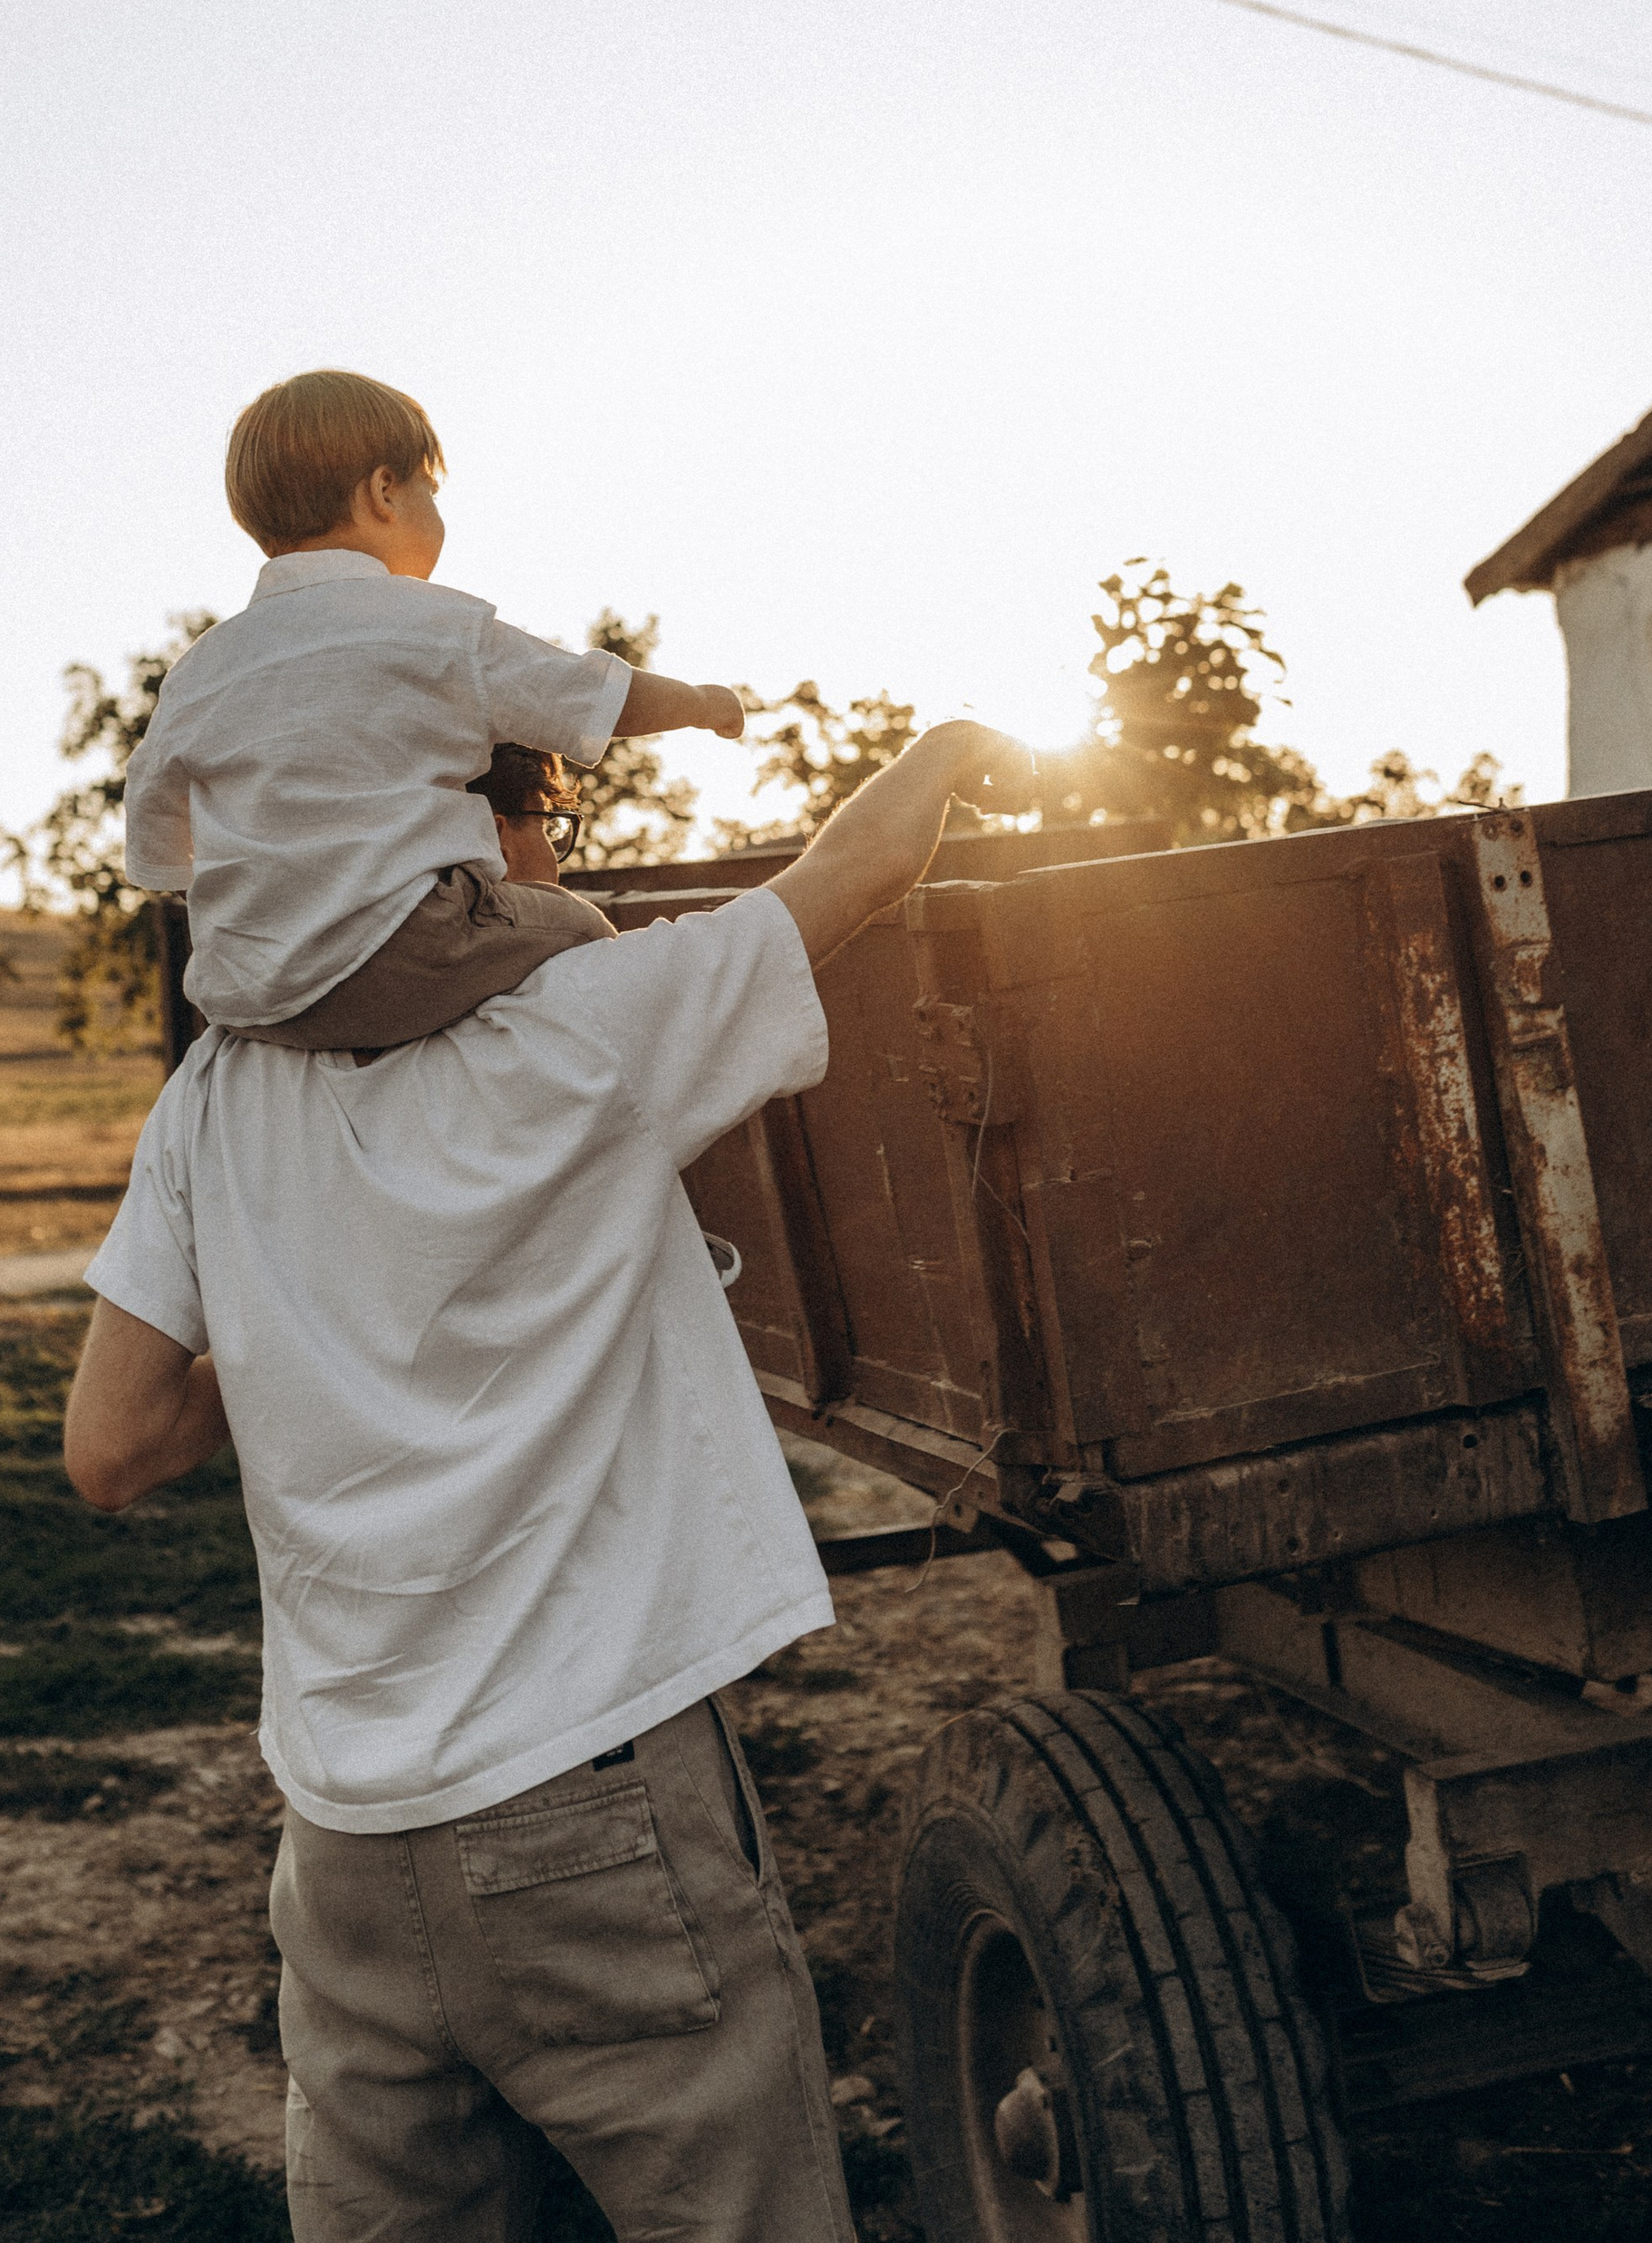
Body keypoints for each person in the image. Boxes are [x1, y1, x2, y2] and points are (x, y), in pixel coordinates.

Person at [67, 711, 1035, 2242]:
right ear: (478, 851)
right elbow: (853, 871)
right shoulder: (582, 1030)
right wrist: (955, 748)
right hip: (593, 1802)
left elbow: (111, 1446)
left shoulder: (210, 1099)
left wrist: (311, 1331)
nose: (559, 866)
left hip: (343, 1842)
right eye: (547, 830)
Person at [122, 367, 745, 1055]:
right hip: (408, 949)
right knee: (584, 931)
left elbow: (153, 827)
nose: (438, 512)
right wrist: (699, 704)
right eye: (431, 490)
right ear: (385, 491)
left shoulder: (201, 669)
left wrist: (205, 884)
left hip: (249, 995)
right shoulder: (434, 626)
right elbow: (590, 695)